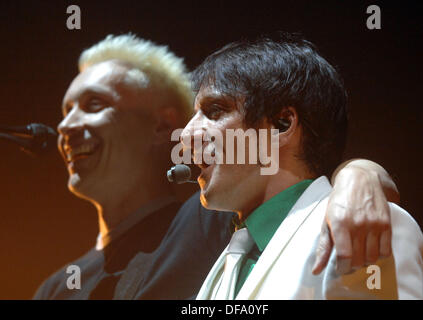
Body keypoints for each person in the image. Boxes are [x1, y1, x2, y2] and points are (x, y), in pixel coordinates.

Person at [34, 34, 403, 300]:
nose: (65, 126)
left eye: (94, 103)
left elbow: (297, 172)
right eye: (65, 111)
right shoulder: (56, 287)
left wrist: (360, 175)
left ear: (162, 125)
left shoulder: (203, 222)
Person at [180, 36, 423, 299]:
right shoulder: (231, 259)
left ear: (281, 125)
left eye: (215, 111)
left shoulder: (364, 224)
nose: (186, 135)